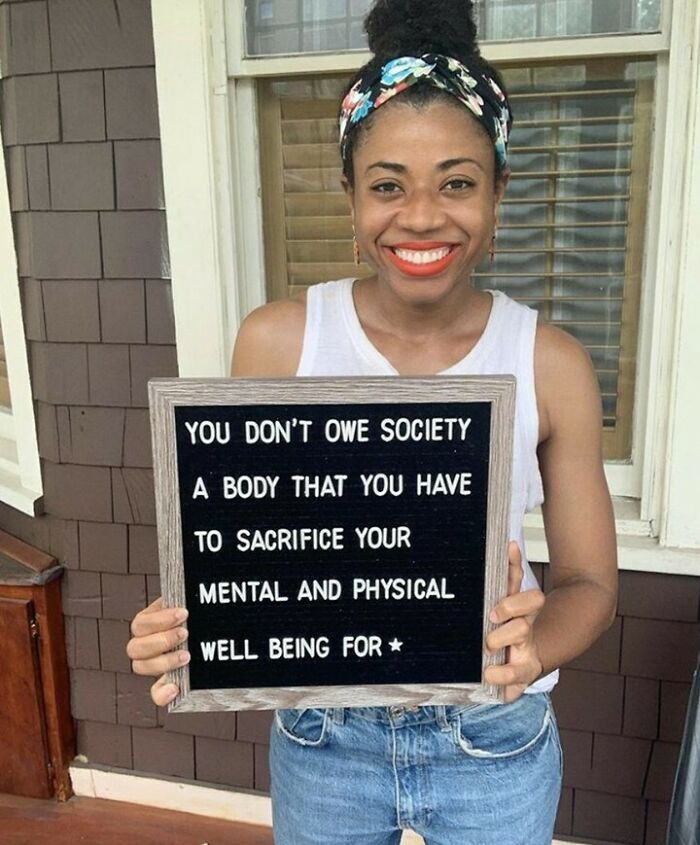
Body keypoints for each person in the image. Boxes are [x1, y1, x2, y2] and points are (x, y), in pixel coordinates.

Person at [127, 1, 618, 842]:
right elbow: (254, 552)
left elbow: (590, 584)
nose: (421, 216)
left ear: (498, 193)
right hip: (327, 736)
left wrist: (535, 642)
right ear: (351, 199)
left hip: (492, 732)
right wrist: (189, 627)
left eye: (457, 182)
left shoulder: (550, 361)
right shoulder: (279, 342)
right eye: (388, 184)